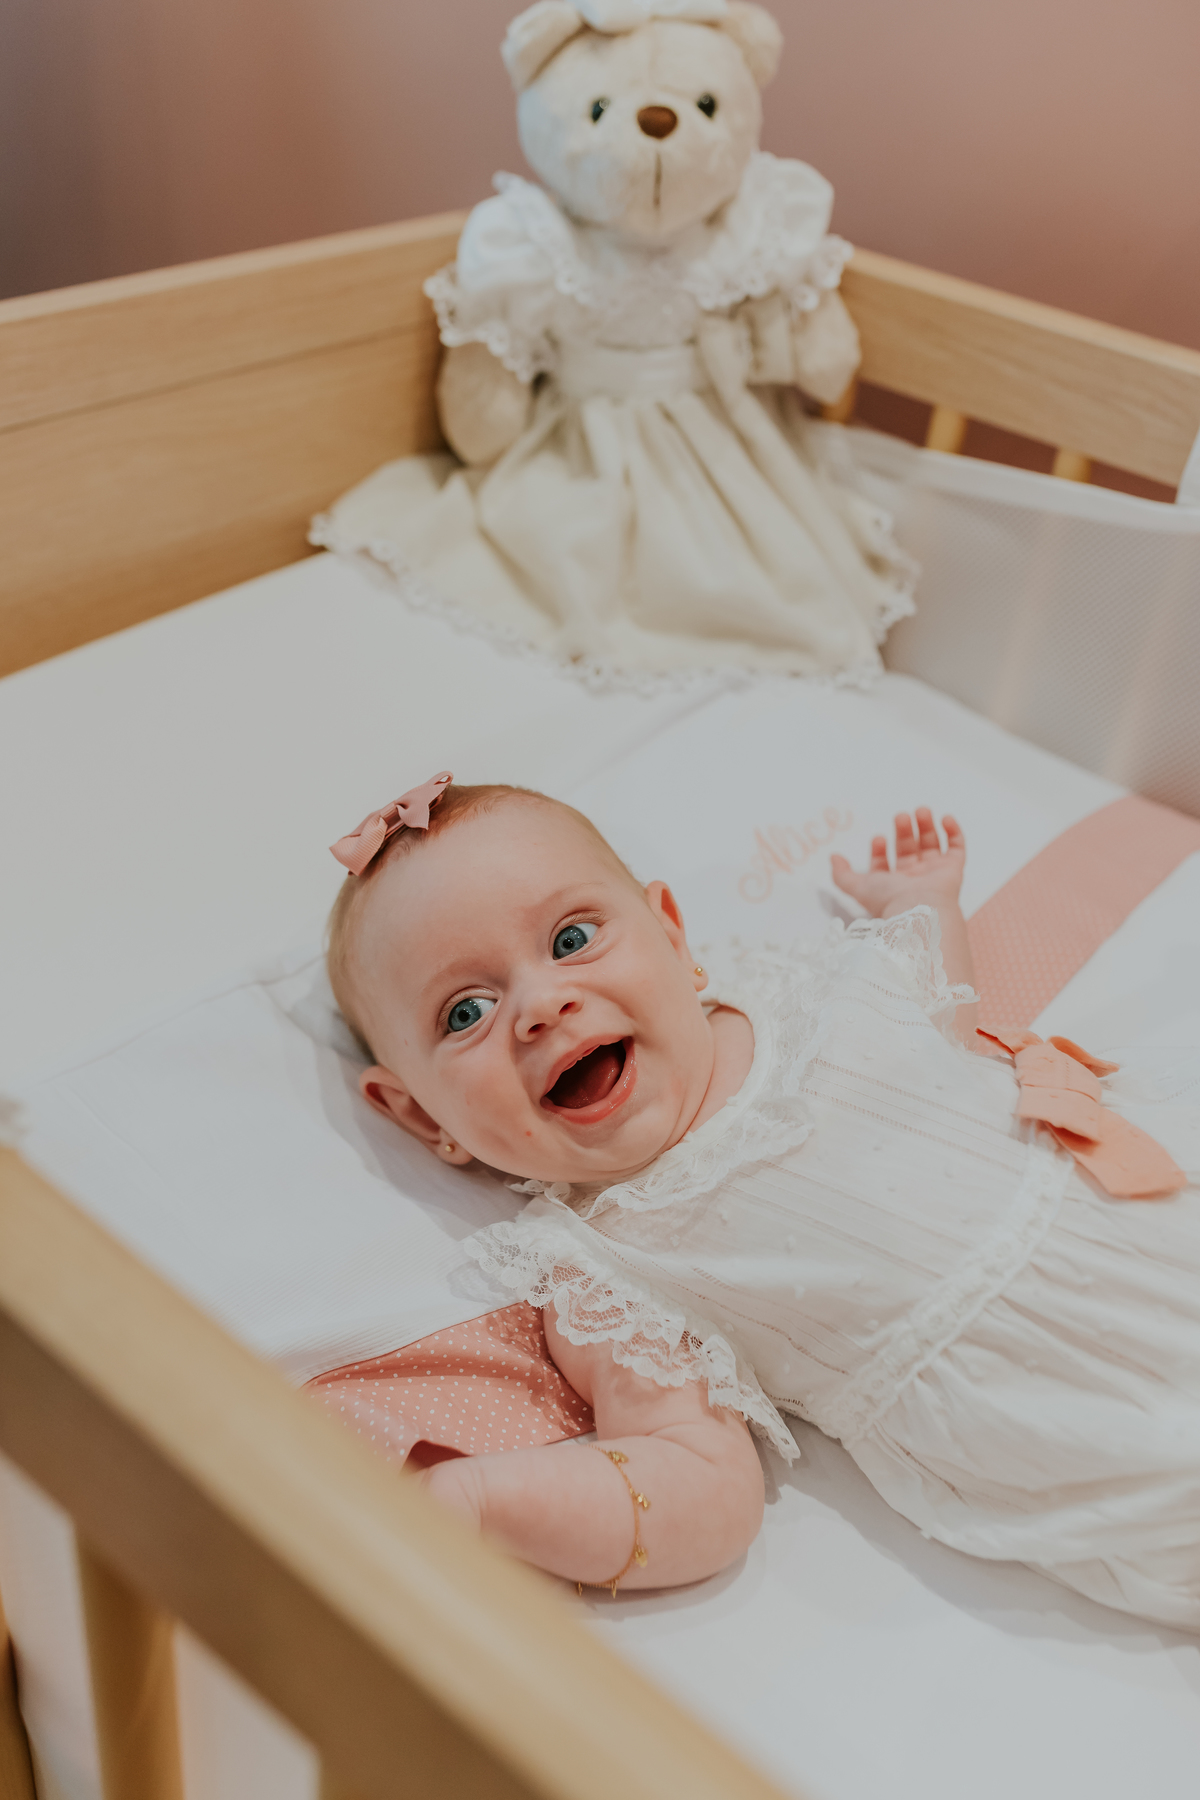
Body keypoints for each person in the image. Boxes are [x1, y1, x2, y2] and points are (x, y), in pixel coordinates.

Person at [325, 776, 1199, 1625]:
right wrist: (484, 1499)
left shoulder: (812, 995)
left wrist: (923, 898)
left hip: (1143, 1206)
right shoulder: (609, 1265)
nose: (542, 1006)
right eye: (466, 1011)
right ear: (417, 1113)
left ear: (671, 936)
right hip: (1067, 1408)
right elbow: (695, 1481)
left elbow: (936, 1008)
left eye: (569, 940)